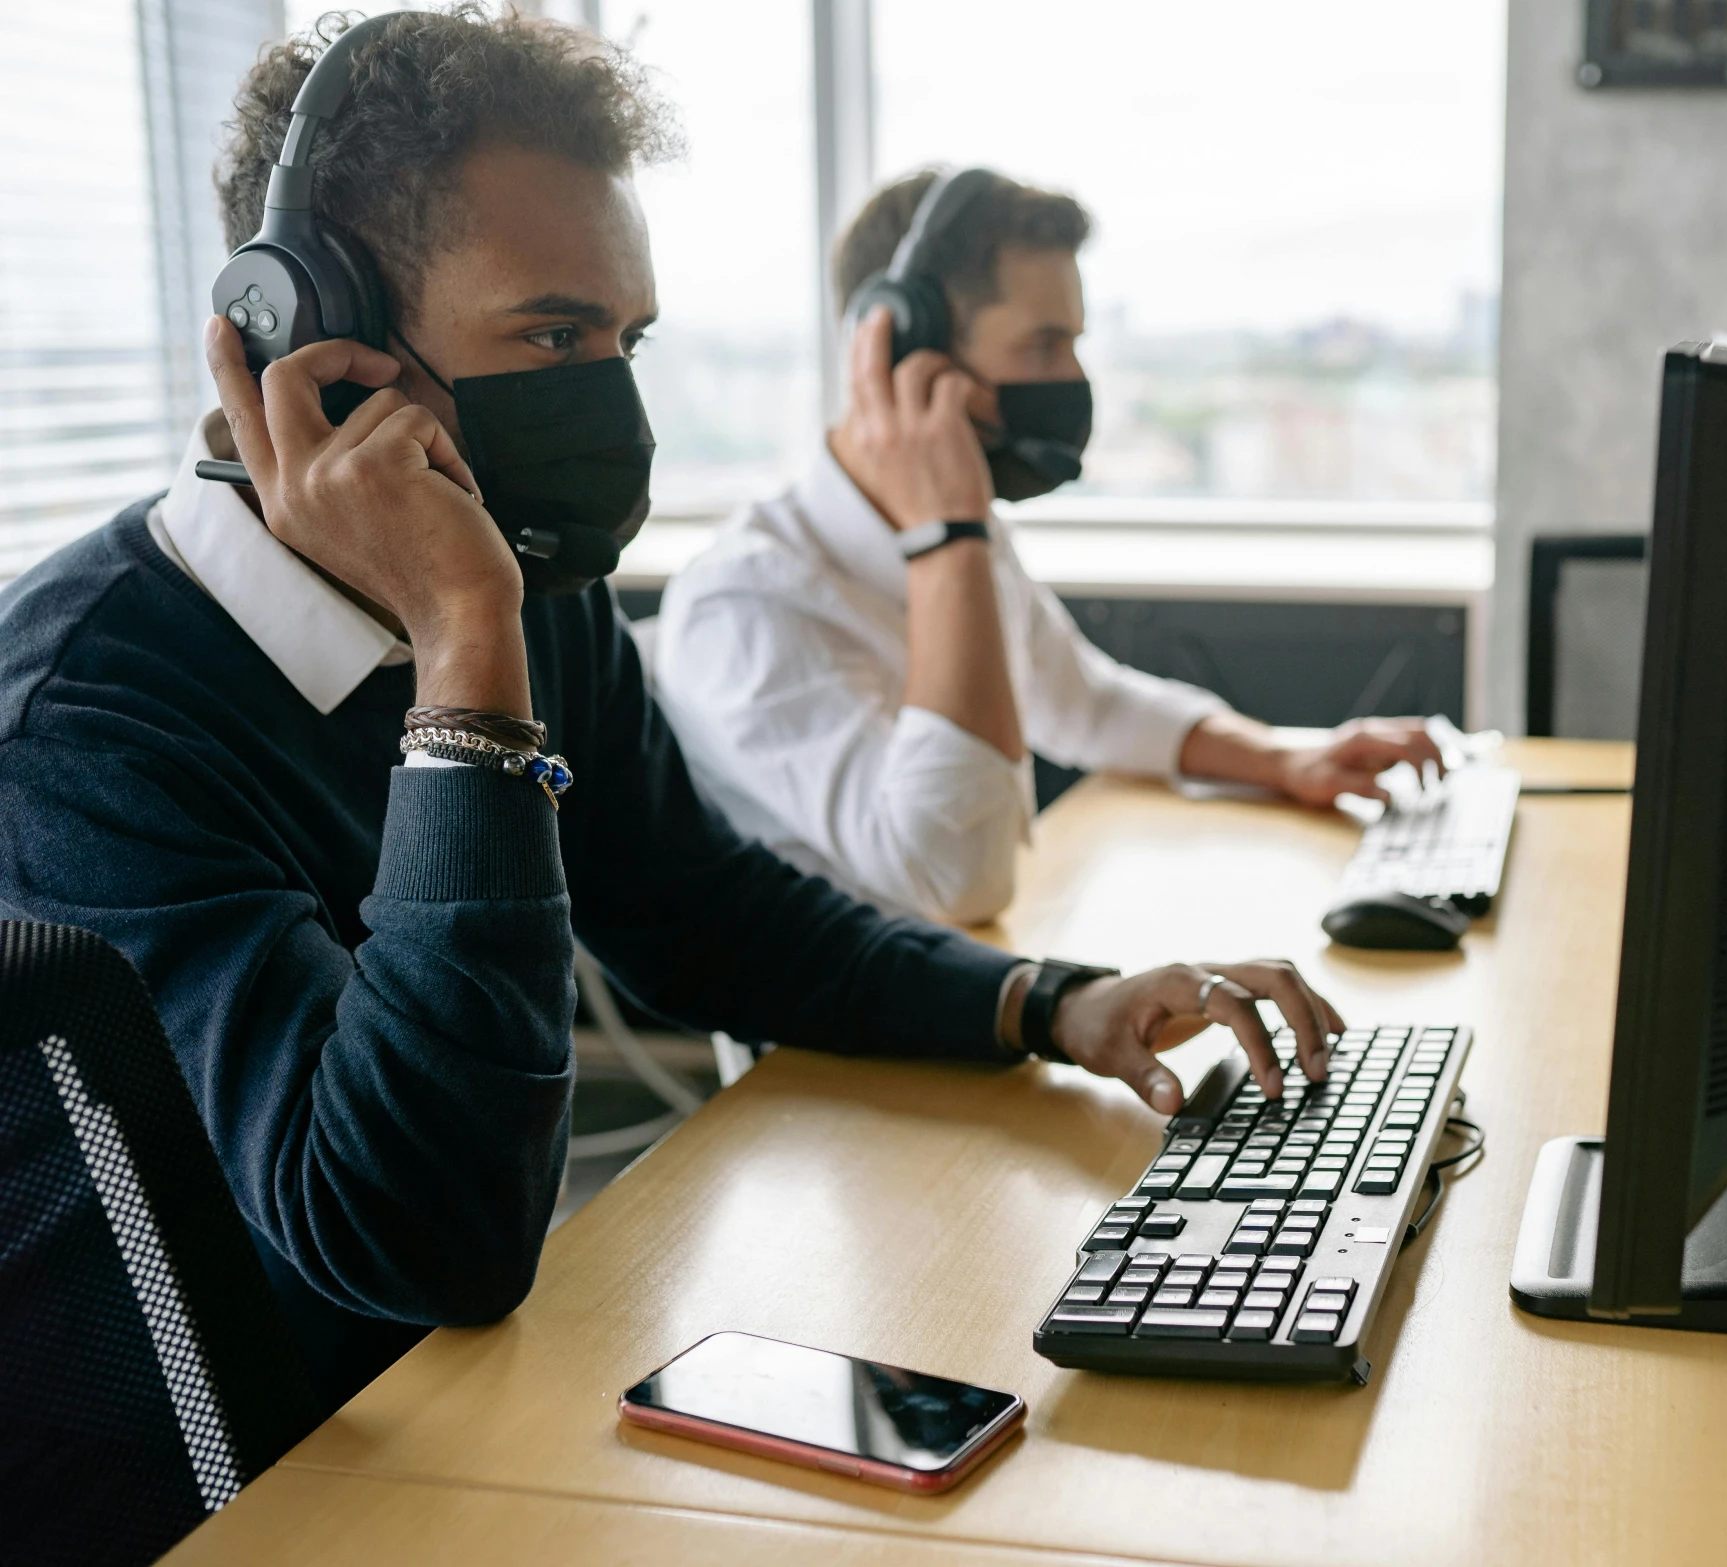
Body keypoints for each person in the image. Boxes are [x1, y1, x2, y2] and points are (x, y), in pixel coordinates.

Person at [0, 8, 1338, 1417]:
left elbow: (703, 908)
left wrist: (1049, 1002)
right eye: (556, 331)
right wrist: (466, 656)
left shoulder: (523, 578)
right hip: (266, 1473)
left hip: (475, 1399)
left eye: (625, 335)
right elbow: (422, 1233)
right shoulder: (80, 733)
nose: (612, 401)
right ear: (312, 340)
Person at [654, 170, 1445, 926]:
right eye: (1042, 346)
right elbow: (955, 876)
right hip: (836, 1053)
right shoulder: (747, 604)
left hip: (983, 984)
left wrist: (1282, 760)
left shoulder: (965, 533)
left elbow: (1082, 701)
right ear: (896, 346)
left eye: (1073, 343)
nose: (1072, 377)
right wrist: (947, 539)